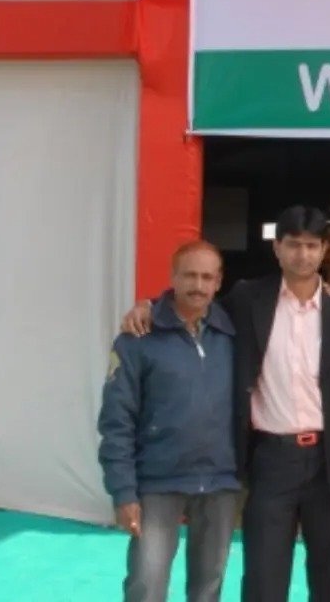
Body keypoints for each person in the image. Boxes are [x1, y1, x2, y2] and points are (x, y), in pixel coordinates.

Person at [122, 207, 330, 602]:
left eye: (312, 246)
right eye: (293, 245)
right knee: (263, 580)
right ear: (277, 248)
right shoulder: (248, 299)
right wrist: (149, 306)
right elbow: (194, 302)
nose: (303, 255)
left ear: (325, 250)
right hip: (272, 459)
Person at [99, 240, 240, 602]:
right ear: (172, 277)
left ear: (219, 282)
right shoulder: (137, 338)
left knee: (208, 588)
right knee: (146, 586)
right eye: (189, 275)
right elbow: (116, 419)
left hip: (220, 480)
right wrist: (123, 490)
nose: (198, 285)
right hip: (157, 481)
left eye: (207, 277)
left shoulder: (234, 334)